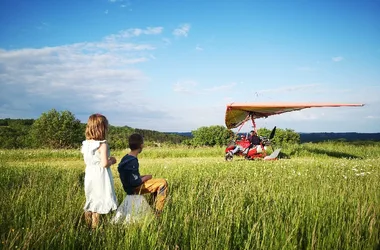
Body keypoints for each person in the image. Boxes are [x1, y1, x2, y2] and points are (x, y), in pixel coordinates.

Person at [81, 114, 118, 229]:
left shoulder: (86, 144)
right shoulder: (102, 145)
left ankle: (86, 225)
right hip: (100, 176)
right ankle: (94, 229)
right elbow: (104, 164)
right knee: (99, 201)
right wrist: (112, 160)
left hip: (90, 174)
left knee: (91, 198)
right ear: (102, 128)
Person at [118, 133, 168, 215]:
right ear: (141, 146)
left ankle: (152, 206)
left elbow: (131, 176)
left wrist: (143, 177)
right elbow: (135, 182)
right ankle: (158, 212)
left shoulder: (126, 157)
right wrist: (147, 177)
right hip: (134, 188)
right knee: (163, 183)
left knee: (155, 183)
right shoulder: (133, 161)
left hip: (127, 187)